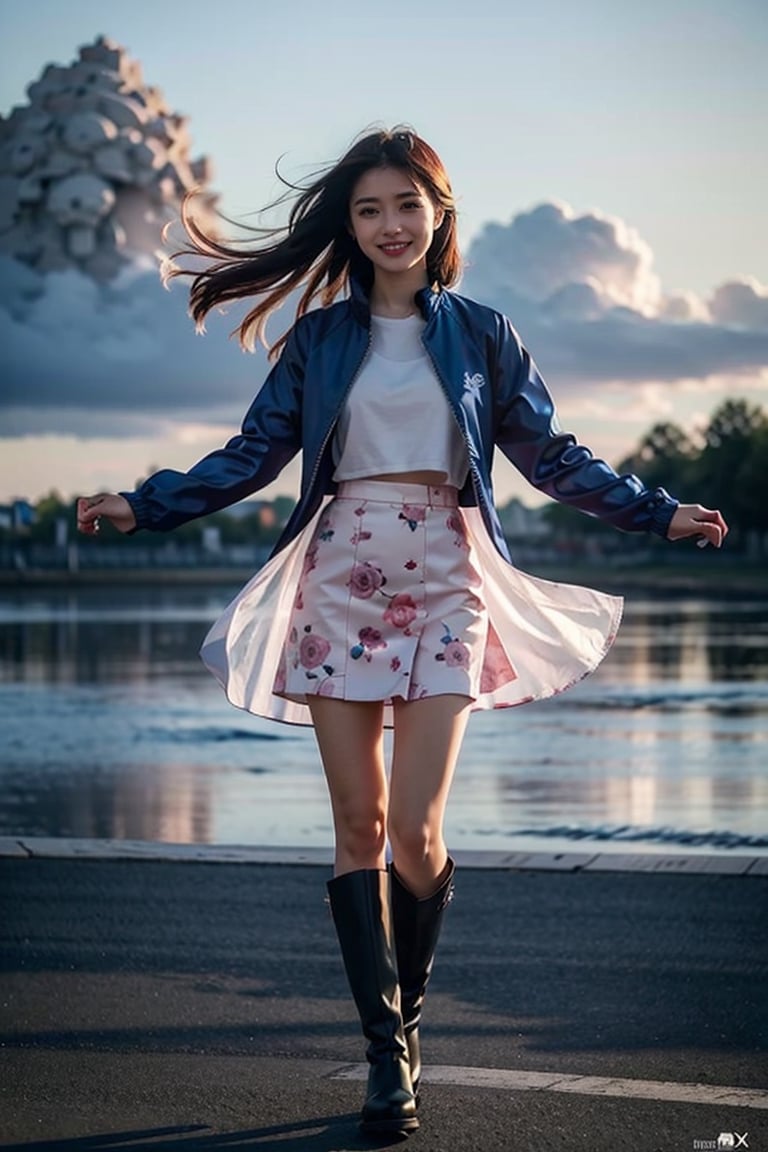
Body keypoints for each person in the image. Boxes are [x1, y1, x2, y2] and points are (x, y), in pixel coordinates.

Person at [77, 127, 728, 1138]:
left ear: (439, 214)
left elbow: (550, 453)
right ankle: (389, 1058)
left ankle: (408, 1015)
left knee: (419, 834)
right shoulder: (322, 340)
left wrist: (657, 509)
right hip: (341, 573)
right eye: (370, 208)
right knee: (360, 829)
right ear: (352, 222)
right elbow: (254, 452)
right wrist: (145, 503)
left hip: (447, 576)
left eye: (406, 206)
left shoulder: (484, 334)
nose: (390, 224)